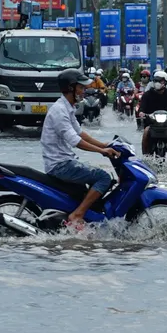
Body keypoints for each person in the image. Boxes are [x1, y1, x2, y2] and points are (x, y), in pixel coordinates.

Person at [40, 69, 120, 227]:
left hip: (66, 161)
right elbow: (75, 141)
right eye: (81, 88)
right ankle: (78, 214)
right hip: (60, 165)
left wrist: (105, 144)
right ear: (71, 88)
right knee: (103, 177)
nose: (84, 91)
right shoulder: (59, 111)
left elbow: (81, 133)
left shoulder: (67, 108)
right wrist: (102, 151)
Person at [137, 70, 167, 154]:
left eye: (160, 81)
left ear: (165, 82)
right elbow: (142, 107)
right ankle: (145, 154)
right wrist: (141, 113)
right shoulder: (147, 95)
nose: (157, 83)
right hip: (151, 122)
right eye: (156, 80)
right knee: (146, 131)